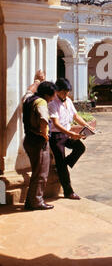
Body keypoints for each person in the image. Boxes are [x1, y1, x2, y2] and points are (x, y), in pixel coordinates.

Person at [48, 78, 94, 200]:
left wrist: (86, 125)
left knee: (80, 148)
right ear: (57, 91)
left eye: (67, 92)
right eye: (63, 92)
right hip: (56, 136)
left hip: (67, 134)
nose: (66, 94)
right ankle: (68, 191)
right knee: (61, 162)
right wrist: (70, 133)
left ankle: (62, 165)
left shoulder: (68, 100)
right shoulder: (52, 103)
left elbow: (75, 115)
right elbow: (56, 124)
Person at [23, 81, 57, 210]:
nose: (54, 98)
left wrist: (37, 80)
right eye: (53, 95)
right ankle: (37, 201)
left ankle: (30, 201)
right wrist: (45, 134)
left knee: (36, 172)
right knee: (41, 173)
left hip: (28, 139)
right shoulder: (42, 102)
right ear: (47, 95)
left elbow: (29, 91)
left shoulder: (29, 99)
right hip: (38, 141)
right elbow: (43, 119)